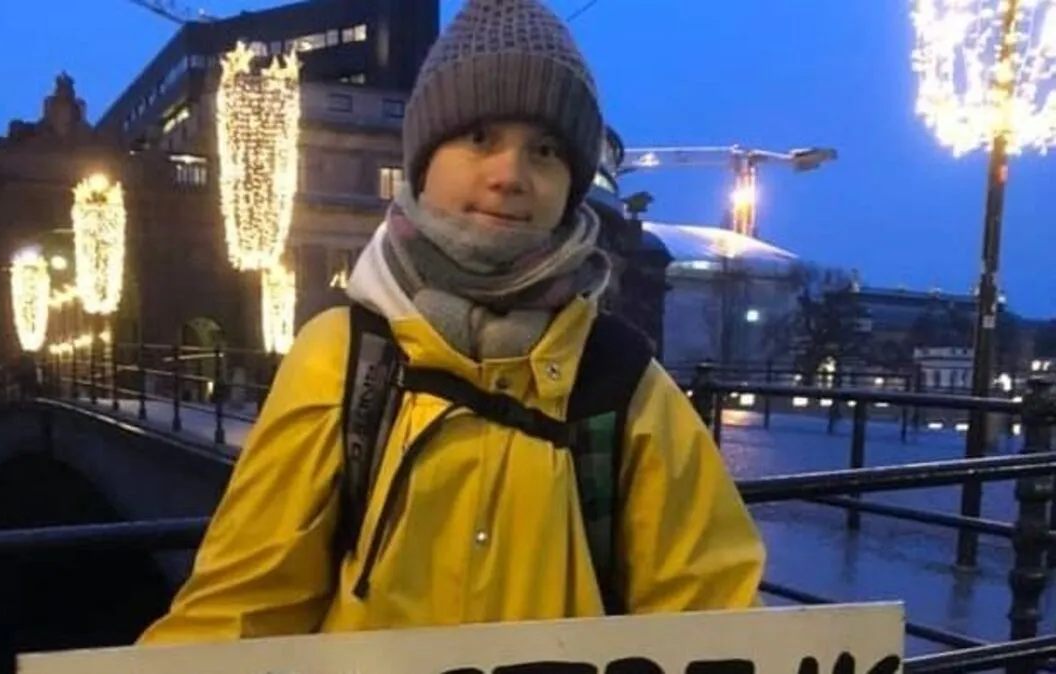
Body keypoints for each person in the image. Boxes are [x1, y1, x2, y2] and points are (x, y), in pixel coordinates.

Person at [138, 0, 765, 645]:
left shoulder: (625, 385)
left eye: (545, 150)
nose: (510, 175)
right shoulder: (339, 357)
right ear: (423, 158)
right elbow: (242, 613)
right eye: (479, 138)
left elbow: (714, 625)